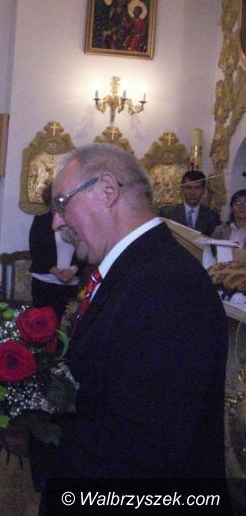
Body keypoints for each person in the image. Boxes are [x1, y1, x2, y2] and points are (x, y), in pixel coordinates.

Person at [44, 144, 227, 486]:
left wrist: (44, 444)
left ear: (107, 190)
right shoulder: (137, 269)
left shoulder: (168, 287)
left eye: (62, 204)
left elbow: (145, 448)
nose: (56, 222)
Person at [28, 185, 84, 320]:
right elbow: (36, 250)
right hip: (44, 282)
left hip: (70, 284)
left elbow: (86, 250)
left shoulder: (79, 222)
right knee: (42, 324)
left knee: (66, 325)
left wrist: (73, 270)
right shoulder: (41, 221)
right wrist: (53, 270)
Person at [159, 170, 221, 236]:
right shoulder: (168, 214)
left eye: (197, 188)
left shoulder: (212, 217)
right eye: (188, 188)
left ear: (203, 191)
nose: (192, 193)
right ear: (182, 189)